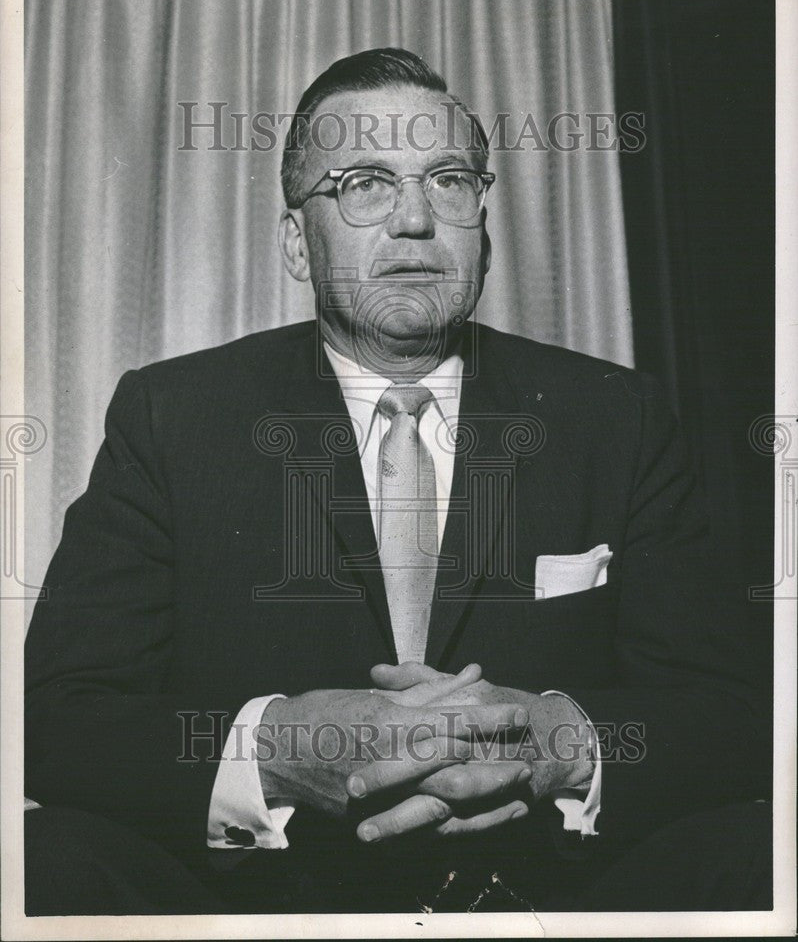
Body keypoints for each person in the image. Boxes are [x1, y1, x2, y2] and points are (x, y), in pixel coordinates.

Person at [24, 47, 770, 915]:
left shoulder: (617, 414)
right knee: (49, 860)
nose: (416, 219)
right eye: (365, 184)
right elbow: (60, 718)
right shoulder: (170, 416)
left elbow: (734, 715)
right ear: (297, 242)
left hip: (544, 900)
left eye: (450, 180)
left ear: (484, 232)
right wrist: (275, 745)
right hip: (270, 907)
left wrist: (559, 742)